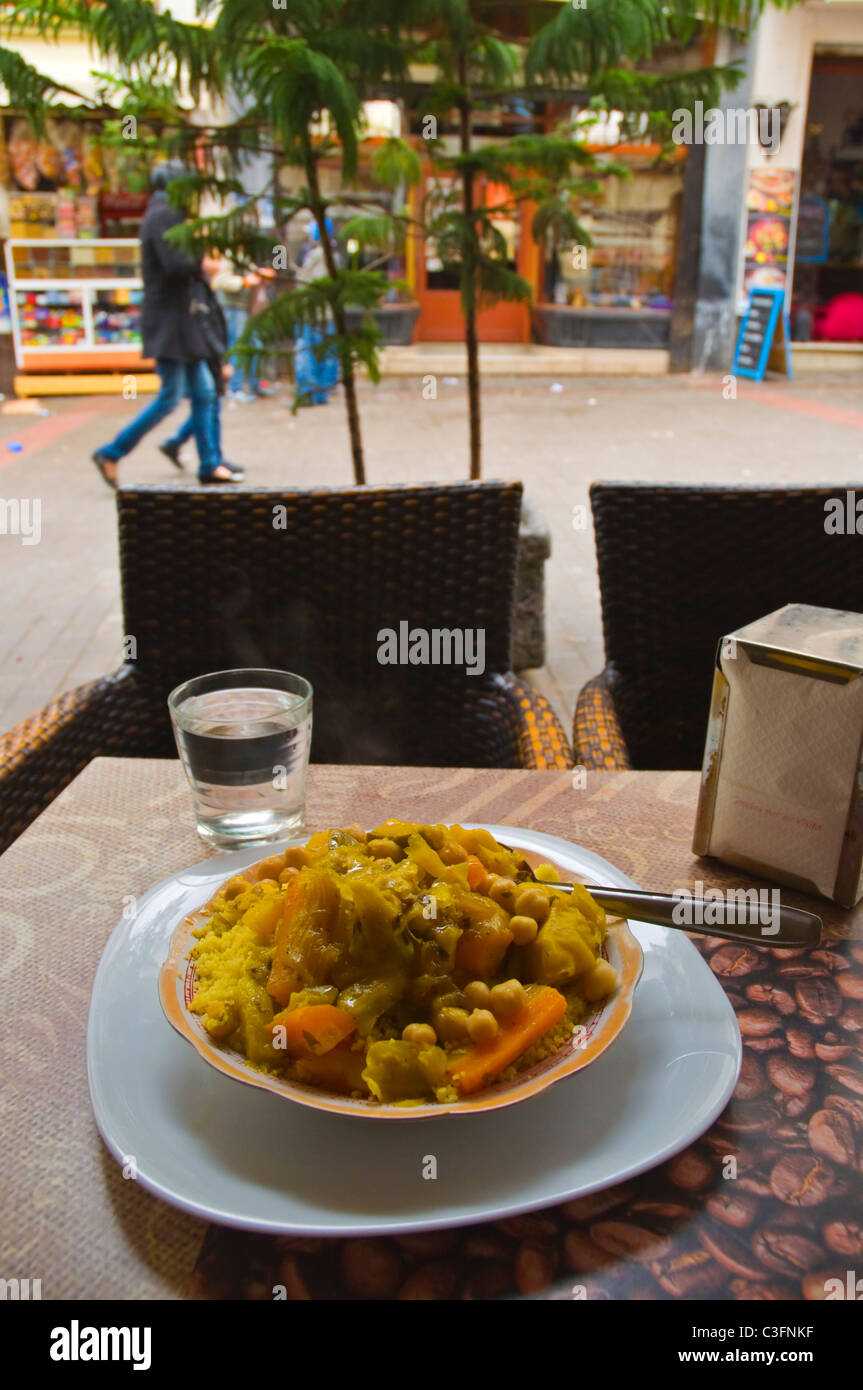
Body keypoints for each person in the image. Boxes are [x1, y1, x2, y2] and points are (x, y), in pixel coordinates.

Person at [91, 165, 240, 488]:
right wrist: (204, 260)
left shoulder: (164, 213)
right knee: (173, 396)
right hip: (171, 325)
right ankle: (112, 451)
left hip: (180, 324)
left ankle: (209, 463)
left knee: (203, 392)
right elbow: (175, 265)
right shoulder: (163, 215)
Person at [294, 219, 340, 406]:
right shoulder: (327, 256)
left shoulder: (319, 256)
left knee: (308, 352)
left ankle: (310, 392)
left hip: (315, 314)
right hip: (324, 314)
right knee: (324, 353)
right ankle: (319, 392)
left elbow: (313, 288)